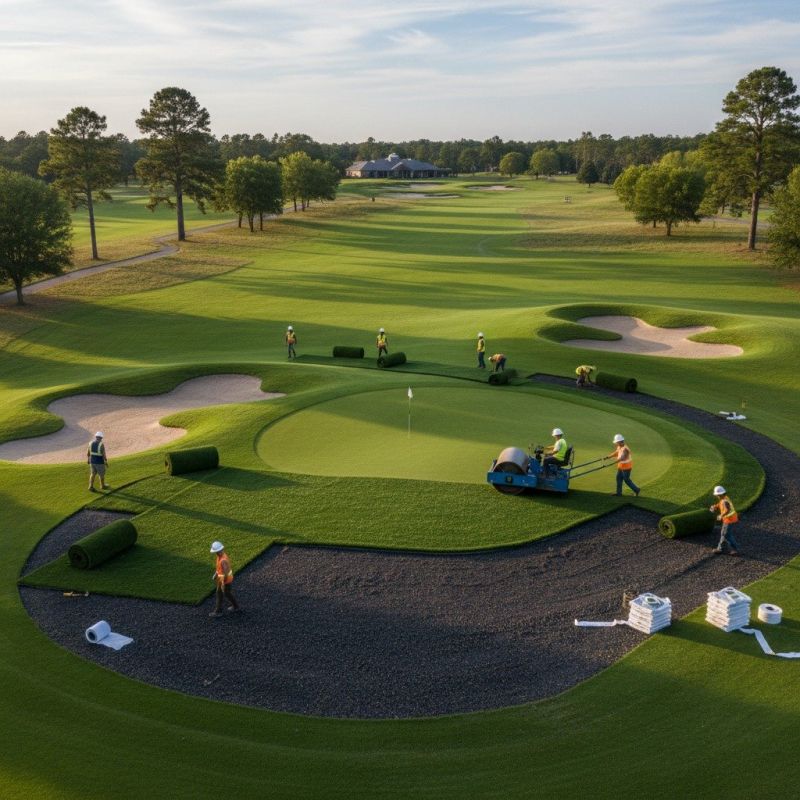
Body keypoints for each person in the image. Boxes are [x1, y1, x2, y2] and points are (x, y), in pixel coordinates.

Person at [209, 541, 240, 617]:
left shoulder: (223, 561)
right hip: (223, 579)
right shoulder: (221, 556)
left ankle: (218, 611)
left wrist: (223, 582)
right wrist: (216, 574)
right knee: (226, 593)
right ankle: (235, 606)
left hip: (225, 580)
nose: (215, 553)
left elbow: (225, 572)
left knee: (222, 594)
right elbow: (220, 569)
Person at [709, 485, 740, 555]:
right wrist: (715, 506)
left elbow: (727, 510)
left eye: (717, 495)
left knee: (726, 535)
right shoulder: (724, 498)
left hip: (729, 520)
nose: (716, 496)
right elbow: (720, 504)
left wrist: (721, 516)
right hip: (729, 519)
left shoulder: (724, 501)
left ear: (720, 494)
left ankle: (735, 549)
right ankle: (719, 549)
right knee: (723, 534)